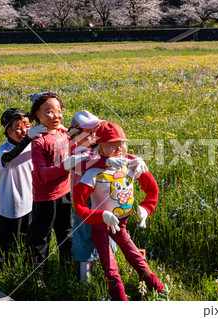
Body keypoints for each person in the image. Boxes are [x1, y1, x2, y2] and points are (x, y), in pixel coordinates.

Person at [27, 93, 128, 274]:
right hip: (44, 197)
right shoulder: (38, 142)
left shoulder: (65, 134)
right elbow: (41, 175)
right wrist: (28, 136)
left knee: (66, 233)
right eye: (49, 112)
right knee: (41, 237)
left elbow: (88, 157)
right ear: (37, 116)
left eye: (58, 111)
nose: (56, 116)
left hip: (65, 192)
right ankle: (38, 275)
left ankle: (68, 268)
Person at [73, 122, 163, 301]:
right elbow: (79, 202)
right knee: (110, 267)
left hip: (121, 223)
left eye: (122, 143)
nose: (119, 149)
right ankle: (120, 300)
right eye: (112, 145)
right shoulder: (94, 172)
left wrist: (145, 209)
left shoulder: (130, 166)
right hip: (101, 225)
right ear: (100, 149)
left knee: (135, 255)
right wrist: (100, 216)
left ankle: (159, 290)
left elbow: (152, 189)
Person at [65, 111, 147, 282]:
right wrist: (106, 162)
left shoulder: (97, 146)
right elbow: (84, 163)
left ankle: (106, 269)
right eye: (88, 131)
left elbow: (117, 154)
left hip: (106, 197)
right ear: (75, 133)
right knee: (86, 237)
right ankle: (85, 279)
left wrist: (135, 159)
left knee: (110, 232)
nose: (93, 135)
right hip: (87, 202)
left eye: (95, 130)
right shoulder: (76, 150)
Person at [0, 108, 47, 262]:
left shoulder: (33, 146)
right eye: (17, 128)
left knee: (27, 238)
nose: (23, 131)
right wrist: (28, 139)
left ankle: (23, 265)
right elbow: (10, 157)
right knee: (8, 240)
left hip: (30, 201)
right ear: (7, 132)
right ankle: (4, 266)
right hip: (11, 204)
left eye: (27, 126)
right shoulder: (3, 150)